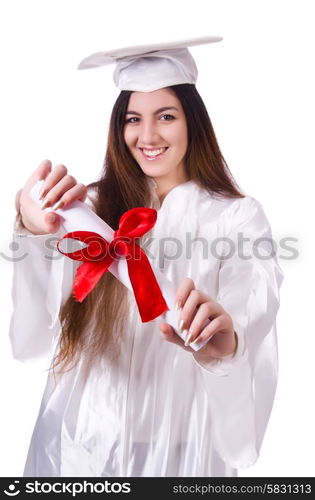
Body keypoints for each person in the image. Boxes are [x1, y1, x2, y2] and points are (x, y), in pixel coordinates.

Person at [10, 37, 284, 477]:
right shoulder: (88, 208)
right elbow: (33, 330)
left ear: (193, 123)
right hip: (82, 430)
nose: (148, 136)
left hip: (179, 435)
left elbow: (254, 303)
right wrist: (33, 231)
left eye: (166, 117)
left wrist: (226, 336)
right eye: (134, 119)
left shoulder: (235, 216)